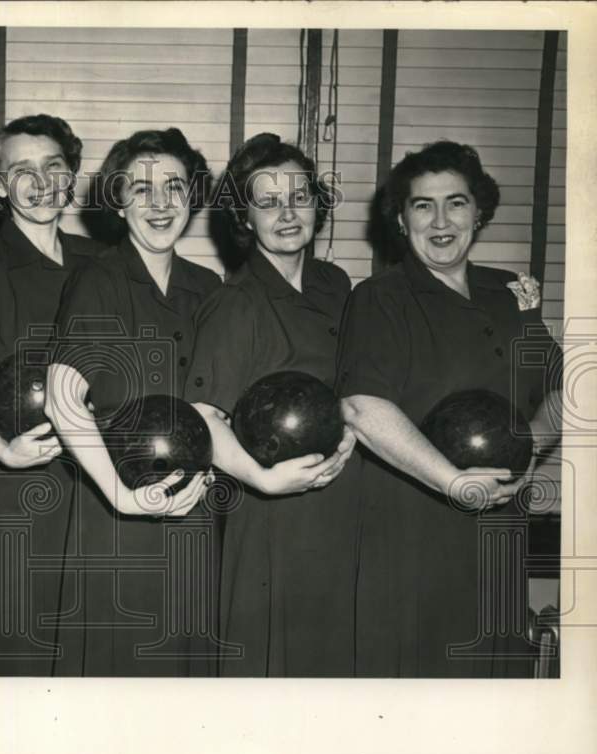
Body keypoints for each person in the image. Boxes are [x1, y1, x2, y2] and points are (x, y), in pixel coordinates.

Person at [337, 140, 563, 677]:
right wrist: (454, 482)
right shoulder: (379, 299)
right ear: (400, 218)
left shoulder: (509, 292)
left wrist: (526, 451)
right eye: (422, 205)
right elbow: (362, 407)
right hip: (414, 537)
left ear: (478, 211)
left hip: (500, 538)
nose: (441, 220)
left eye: (456, 202)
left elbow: (565, 387)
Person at [46, 128, 219, 676]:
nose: (160, 204)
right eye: (140, 189)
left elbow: (218, 407)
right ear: (118, 203)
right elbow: (61, 397)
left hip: (194, 515)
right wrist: (123, 497)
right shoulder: (98, 279)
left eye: (173, 186)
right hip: (118, 521)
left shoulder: (209, 286)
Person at [184, 133, 358, 676]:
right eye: (268, 202)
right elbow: (204, 419)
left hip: (343, 501)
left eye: (300, 198)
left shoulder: (336, 285)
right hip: (270, 513)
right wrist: (264, 483)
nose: (287, 214)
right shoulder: (234, 303)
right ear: (244, 214)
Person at [0, 114, 103, 676]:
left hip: (95, 482)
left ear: (72, 177)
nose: (40, 182)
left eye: (53, 166)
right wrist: (2, 451)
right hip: (15, 475)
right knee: (11, 648)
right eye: (21, 170)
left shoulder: (102, 263)